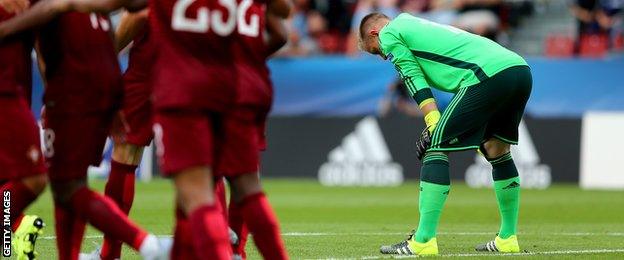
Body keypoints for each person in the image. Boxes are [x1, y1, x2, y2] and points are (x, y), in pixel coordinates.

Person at [0, 1, 169, 259]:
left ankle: (19, 229)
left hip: (54, 88)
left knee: (57, 182)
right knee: (57, 182)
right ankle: (144, 244)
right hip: (53, 88)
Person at [358, 12, 531, 255]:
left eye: (376, 51)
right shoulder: (415, 24)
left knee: (434, 147)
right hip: (519, 69)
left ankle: (423, 240)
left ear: (375, 33)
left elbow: (411, 75)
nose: (383, 55)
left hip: (486, 74)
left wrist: (432, 120)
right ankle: (507, 238)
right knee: (496, 150)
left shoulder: (389, 32)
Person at [224, 1, 290, 259]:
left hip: (218, 79)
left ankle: (219, 242)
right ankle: (236, 251)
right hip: (254, 82)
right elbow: (282, 27)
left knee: (204, 171)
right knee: (247, 178)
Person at [0, 1, 48, 258]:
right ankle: (17, 231)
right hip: (8, 94)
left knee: (10, 179)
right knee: (29, 177)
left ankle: (12, 238)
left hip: (15, 92)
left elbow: (43, 50)